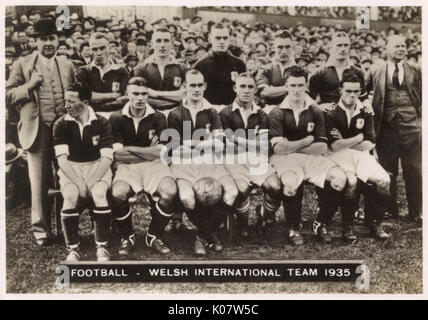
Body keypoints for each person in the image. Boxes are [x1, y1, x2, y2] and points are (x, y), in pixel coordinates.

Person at [6, 17, 75, 246]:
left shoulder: (67, 64)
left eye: (52, 38)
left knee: (66, 176)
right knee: (39, 182)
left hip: (64, 130)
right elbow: (7, 95)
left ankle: (67, 226)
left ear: (58, 40)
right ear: (35, 41)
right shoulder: (22, 64)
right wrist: (30, 86)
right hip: (37, 129)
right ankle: (42, 231)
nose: (48, 43)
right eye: (43, 39)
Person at [268, 66, 347, 245]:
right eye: (293, 85)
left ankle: (321, 223)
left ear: (306, 87)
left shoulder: (315, 110)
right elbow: (279, 150)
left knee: (340, 179)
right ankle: (294, 227)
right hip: (284, 159)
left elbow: (321, 147)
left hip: (311, 157)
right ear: (286, 86)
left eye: (300, 85)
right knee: (289, 184)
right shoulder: (276, 112)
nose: (297, 90)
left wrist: (293, 146)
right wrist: (307, 140)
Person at [314, 69, 391, 242]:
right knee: (351, 182)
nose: (352, 95)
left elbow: (370, 142)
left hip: (360, 154)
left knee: (384, 181)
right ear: (340, 90)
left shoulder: (365, 111)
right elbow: (334, 145)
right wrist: (358, 136)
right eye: (348, 90)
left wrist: (347, 139)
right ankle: (347, 227)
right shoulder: (330, 112)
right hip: (336, 156)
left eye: (356, 91)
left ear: (361, 92)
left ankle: (374, 223)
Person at [167, 69, 239, 256]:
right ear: (185, 87)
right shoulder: (175, 114)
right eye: (192, 85)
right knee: (187, 199)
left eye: (200, 85)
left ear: (205, 86)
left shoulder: (212, 112)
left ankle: (201, 235)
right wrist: (204, 143)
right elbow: (175, 148)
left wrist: (189, 143)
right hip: (184, 164)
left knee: (231, 192)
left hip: (211, 162)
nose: (196, 89)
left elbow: (219, 143)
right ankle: (210, 234)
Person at [109, 77, 179, 256]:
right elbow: (117, 154)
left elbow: (161, 153)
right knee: (117, 193)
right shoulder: (116, 118)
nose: (140, 98)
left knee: (169, 191)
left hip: (154, 165)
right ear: (127, 94)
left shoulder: (158, 117)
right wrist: (148, 150)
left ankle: (153, 235)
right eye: (135, 94)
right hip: (127, 166)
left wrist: (129, 148)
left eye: (144, 94)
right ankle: (127, 236)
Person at [53, 83, 114, 262]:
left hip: (97, 167)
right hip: (72, 169)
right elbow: (62, 160)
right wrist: (80, 184)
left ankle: (101, 247)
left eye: (71, 101)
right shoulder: (61, 124)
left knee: (99, 193)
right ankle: (73, 249)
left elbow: (107, 158)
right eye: (65, 101)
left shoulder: (102, 122)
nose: (66, 105)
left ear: (85, 102)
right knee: (71, 195)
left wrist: (91, 182)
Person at [365, 35, 422, 222]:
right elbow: (362, 91)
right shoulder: (376, 70)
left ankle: (417, 210)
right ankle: (390, 209)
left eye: (403, 45)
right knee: (388, 169)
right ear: (387, 49)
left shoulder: (415, 69)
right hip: (386, 127)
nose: (401, 49)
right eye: (397, 46)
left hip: (411, 127)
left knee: (414, 169)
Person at [220, 73, 282, 237]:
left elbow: (263, 147)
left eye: (250, 87)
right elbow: (227, 145)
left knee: (276, 187)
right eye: (242, 86)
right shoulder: (225, 113)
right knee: (242, 189)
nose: (246, 90)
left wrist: (238, 140)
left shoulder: (262, 115)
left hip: (256, 160)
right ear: (235, 88)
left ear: (256, 90)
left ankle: (264, 215)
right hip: (233, 160)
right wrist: (250, 142)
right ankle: (242, 223)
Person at [309, 32, 366, 110]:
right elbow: (309, 101)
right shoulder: (319, 73)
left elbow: (363, 98)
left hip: (351, 117)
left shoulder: (358, 72)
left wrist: (367, 107)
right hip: (327, 118)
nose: (343, 49)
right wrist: (319, 107)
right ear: (331, 48)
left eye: (346, 45)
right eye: (339, 45)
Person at [134, 28, 187, 111]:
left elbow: (185, 95)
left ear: (172, 43)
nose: (162, 45)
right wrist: (174, 96)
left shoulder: (182, 68)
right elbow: (139, 96)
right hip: (150, 115)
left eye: (166, 41)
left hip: (179, 115)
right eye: (158, 41)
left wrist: (154, 93)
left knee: (188, 123)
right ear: (152, 44)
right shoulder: (141, 68)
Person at [76, 32, 130, 115]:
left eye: (102, 48)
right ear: (90, 51)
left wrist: (96, 98)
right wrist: (113, 95)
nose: (99, 53)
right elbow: (85, 97)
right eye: (95, 49)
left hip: (116, 116)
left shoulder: (122, 71)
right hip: (92, 116)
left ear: (109, 48)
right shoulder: (83, 71)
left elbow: (124, 98)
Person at [194, 23, 246, 105]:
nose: (222, 41)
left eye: (225, 38)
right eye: (218, 38)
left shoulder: (239, 64)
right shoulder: (200, 65)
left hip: (232, 112)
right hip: (209, 112)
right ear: (210, 39)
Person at [256, 31, 297, 106]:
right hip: (271, 112)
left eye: (287, 47)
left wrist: (275, 90)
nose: (284, 51)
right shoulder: (265, 69)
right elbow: (264, 92)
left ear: (293, 48)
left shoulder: (301, 70)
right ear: (273, 48)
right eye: (280, 47)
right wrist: (293, 87)